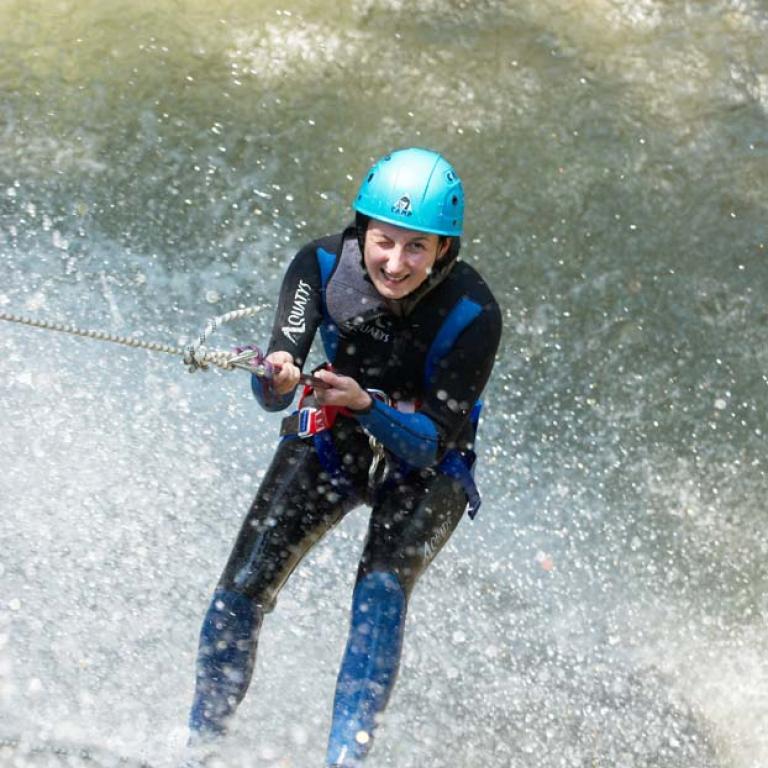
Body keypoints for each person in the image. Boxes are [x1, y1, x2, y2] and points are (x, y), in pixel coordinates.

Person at [185, 147, 502, 767]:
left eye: (418, 247)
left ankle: (345, 762)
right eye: (386, 240)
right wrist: (274, 375)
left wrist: (365, 404)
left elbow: (427, 443)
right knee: (243, 586)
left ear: (444, 249)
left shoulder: (475, 313)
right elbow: (273, 391)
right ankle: (199, 747)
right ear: (364, 230)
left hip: (428, 464)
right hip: (335, 441)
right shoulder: (322, 264)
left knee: (380, 594)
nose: (396, 261)